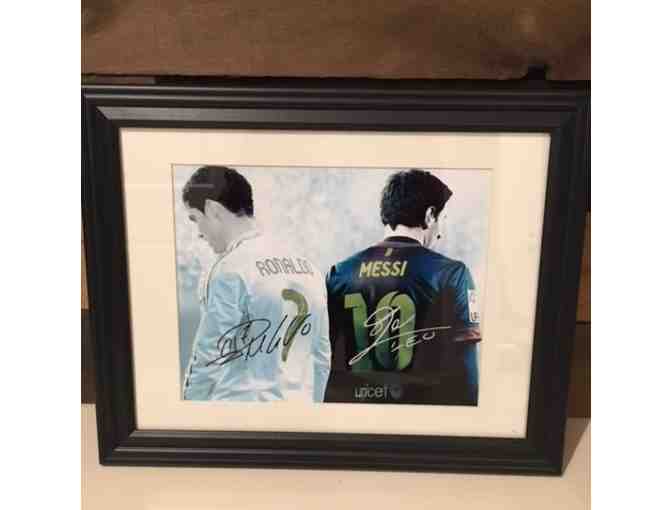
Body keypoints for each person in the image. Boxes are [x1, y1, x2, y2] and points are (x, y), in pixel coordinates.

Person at [325, 169, 482, 405]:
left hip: (355, 415)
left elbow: (323, 362)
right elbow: (466, 378)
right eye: (442, 219)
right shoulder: (453, 274)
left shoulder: (339, 273)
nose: (441, 233)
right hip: (422, 417)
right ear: (430, 215)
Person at [181, 166, 331, 402]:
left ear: (212, 209)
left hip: (239, 413)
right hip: (298, 411)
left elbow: (208, 358)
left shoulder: (229, 269)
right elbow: (322, 358)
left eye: (195, 219)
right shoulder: (310, 269)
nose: (199, 233)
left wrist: (187, 411)